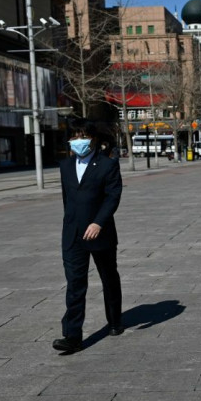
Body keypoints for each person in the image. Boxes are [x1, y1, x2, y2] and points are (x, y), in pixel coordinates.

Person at [53, 119, 124, 354]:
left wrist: (98, 223)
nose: (77, 140)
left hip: (99, 233)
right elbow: (67, 201)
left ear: (92, 139)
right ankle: (72, 335)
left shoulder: (107, 164)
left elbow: (112, 197)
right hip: (73, 235)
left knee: (108, 278)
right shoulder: (65, 166)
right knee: (75, 284)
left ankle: (114, 320)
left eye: (82, 135)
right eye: (73, 136)